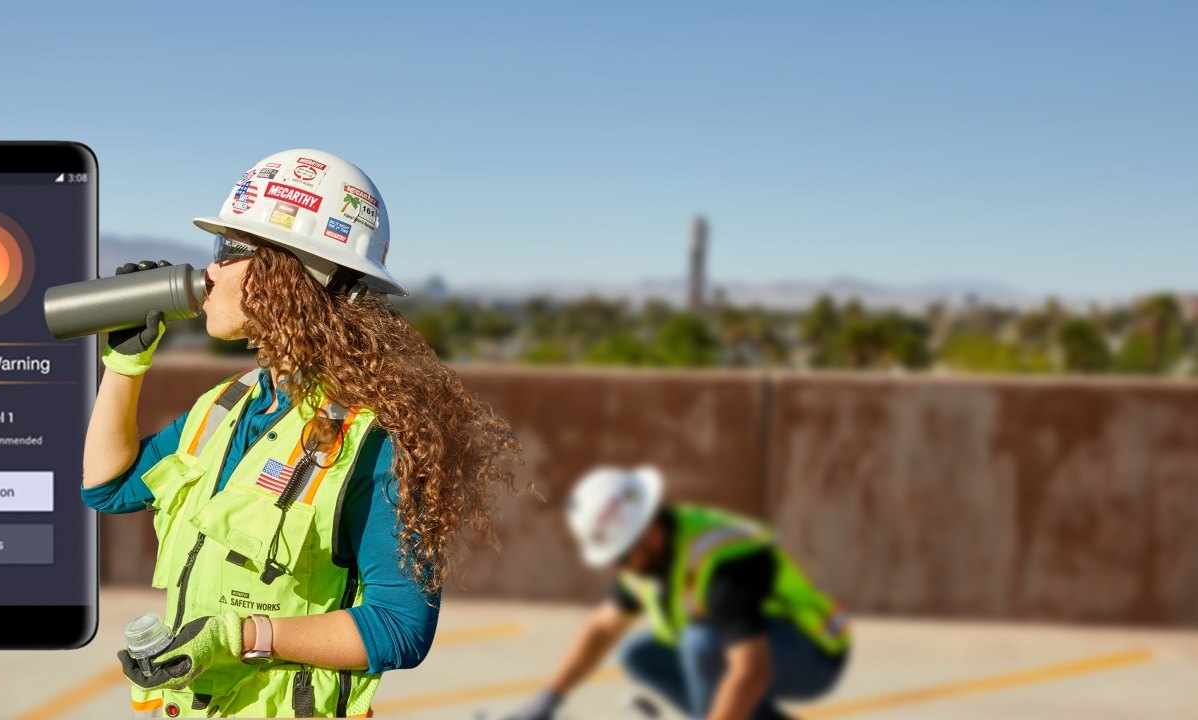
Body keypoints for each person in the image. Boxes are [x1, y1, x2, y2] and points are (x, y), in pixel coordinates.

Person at [82, 149, 521, 718]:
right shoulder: (231, 404)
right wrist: (125, 363)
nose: (208, 271)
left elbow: (399, 627)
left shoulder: (373, 438)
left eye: (229, 250)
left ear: (293, 273)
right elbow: (107, 489)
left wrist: (241, 637)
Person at [508, 466, 849, 720]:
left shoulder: (722, 562)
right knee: (638, 655)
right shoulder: (646, 561)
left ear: (650, 532)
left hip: (813, 651)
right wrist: (549, 699)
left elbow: (751, 670)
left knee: (700, 644)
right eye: (612, 559)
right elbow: (602, 629)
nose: (618, 567)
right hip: (758, 650)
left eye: (622, 555)